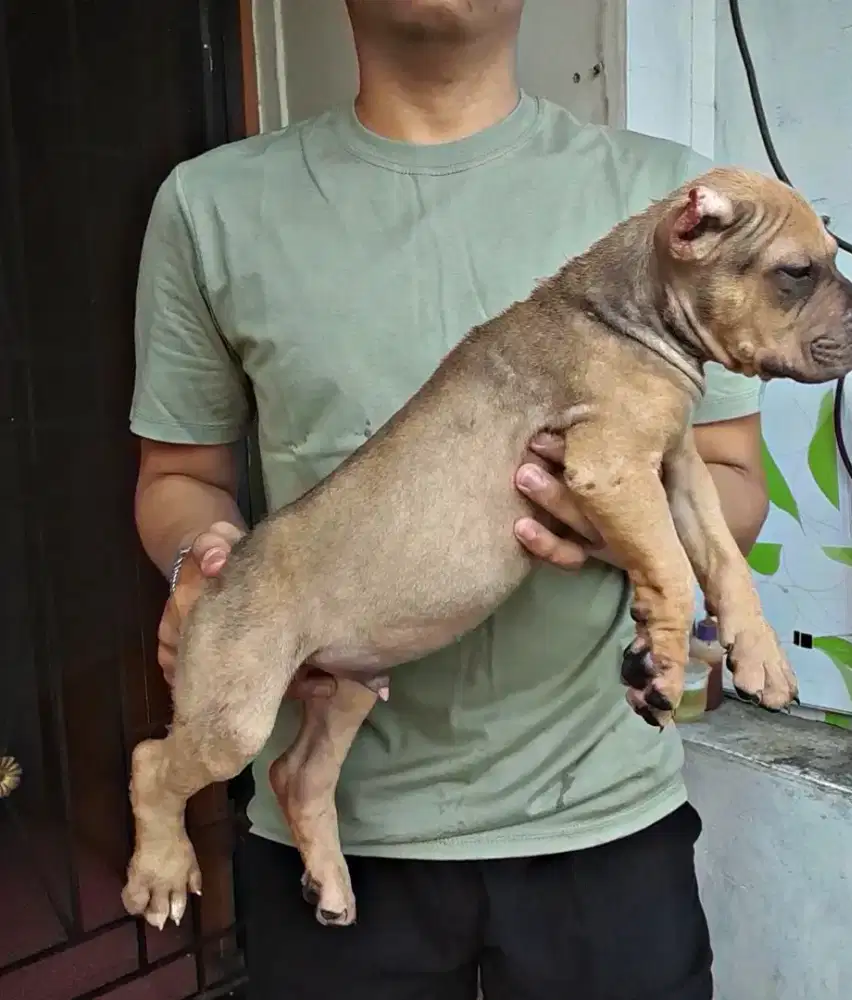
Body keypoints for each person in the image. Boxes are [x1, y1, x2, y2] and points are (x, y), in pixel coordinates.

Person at [130, 2, 768, 997]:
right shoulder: (210, 206)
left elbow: (730, 486)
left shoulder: (667, 201)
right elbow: (179, 479)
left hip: (601, 820)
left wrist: (597, 523)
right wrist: (195, 564)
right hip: (343, 840)